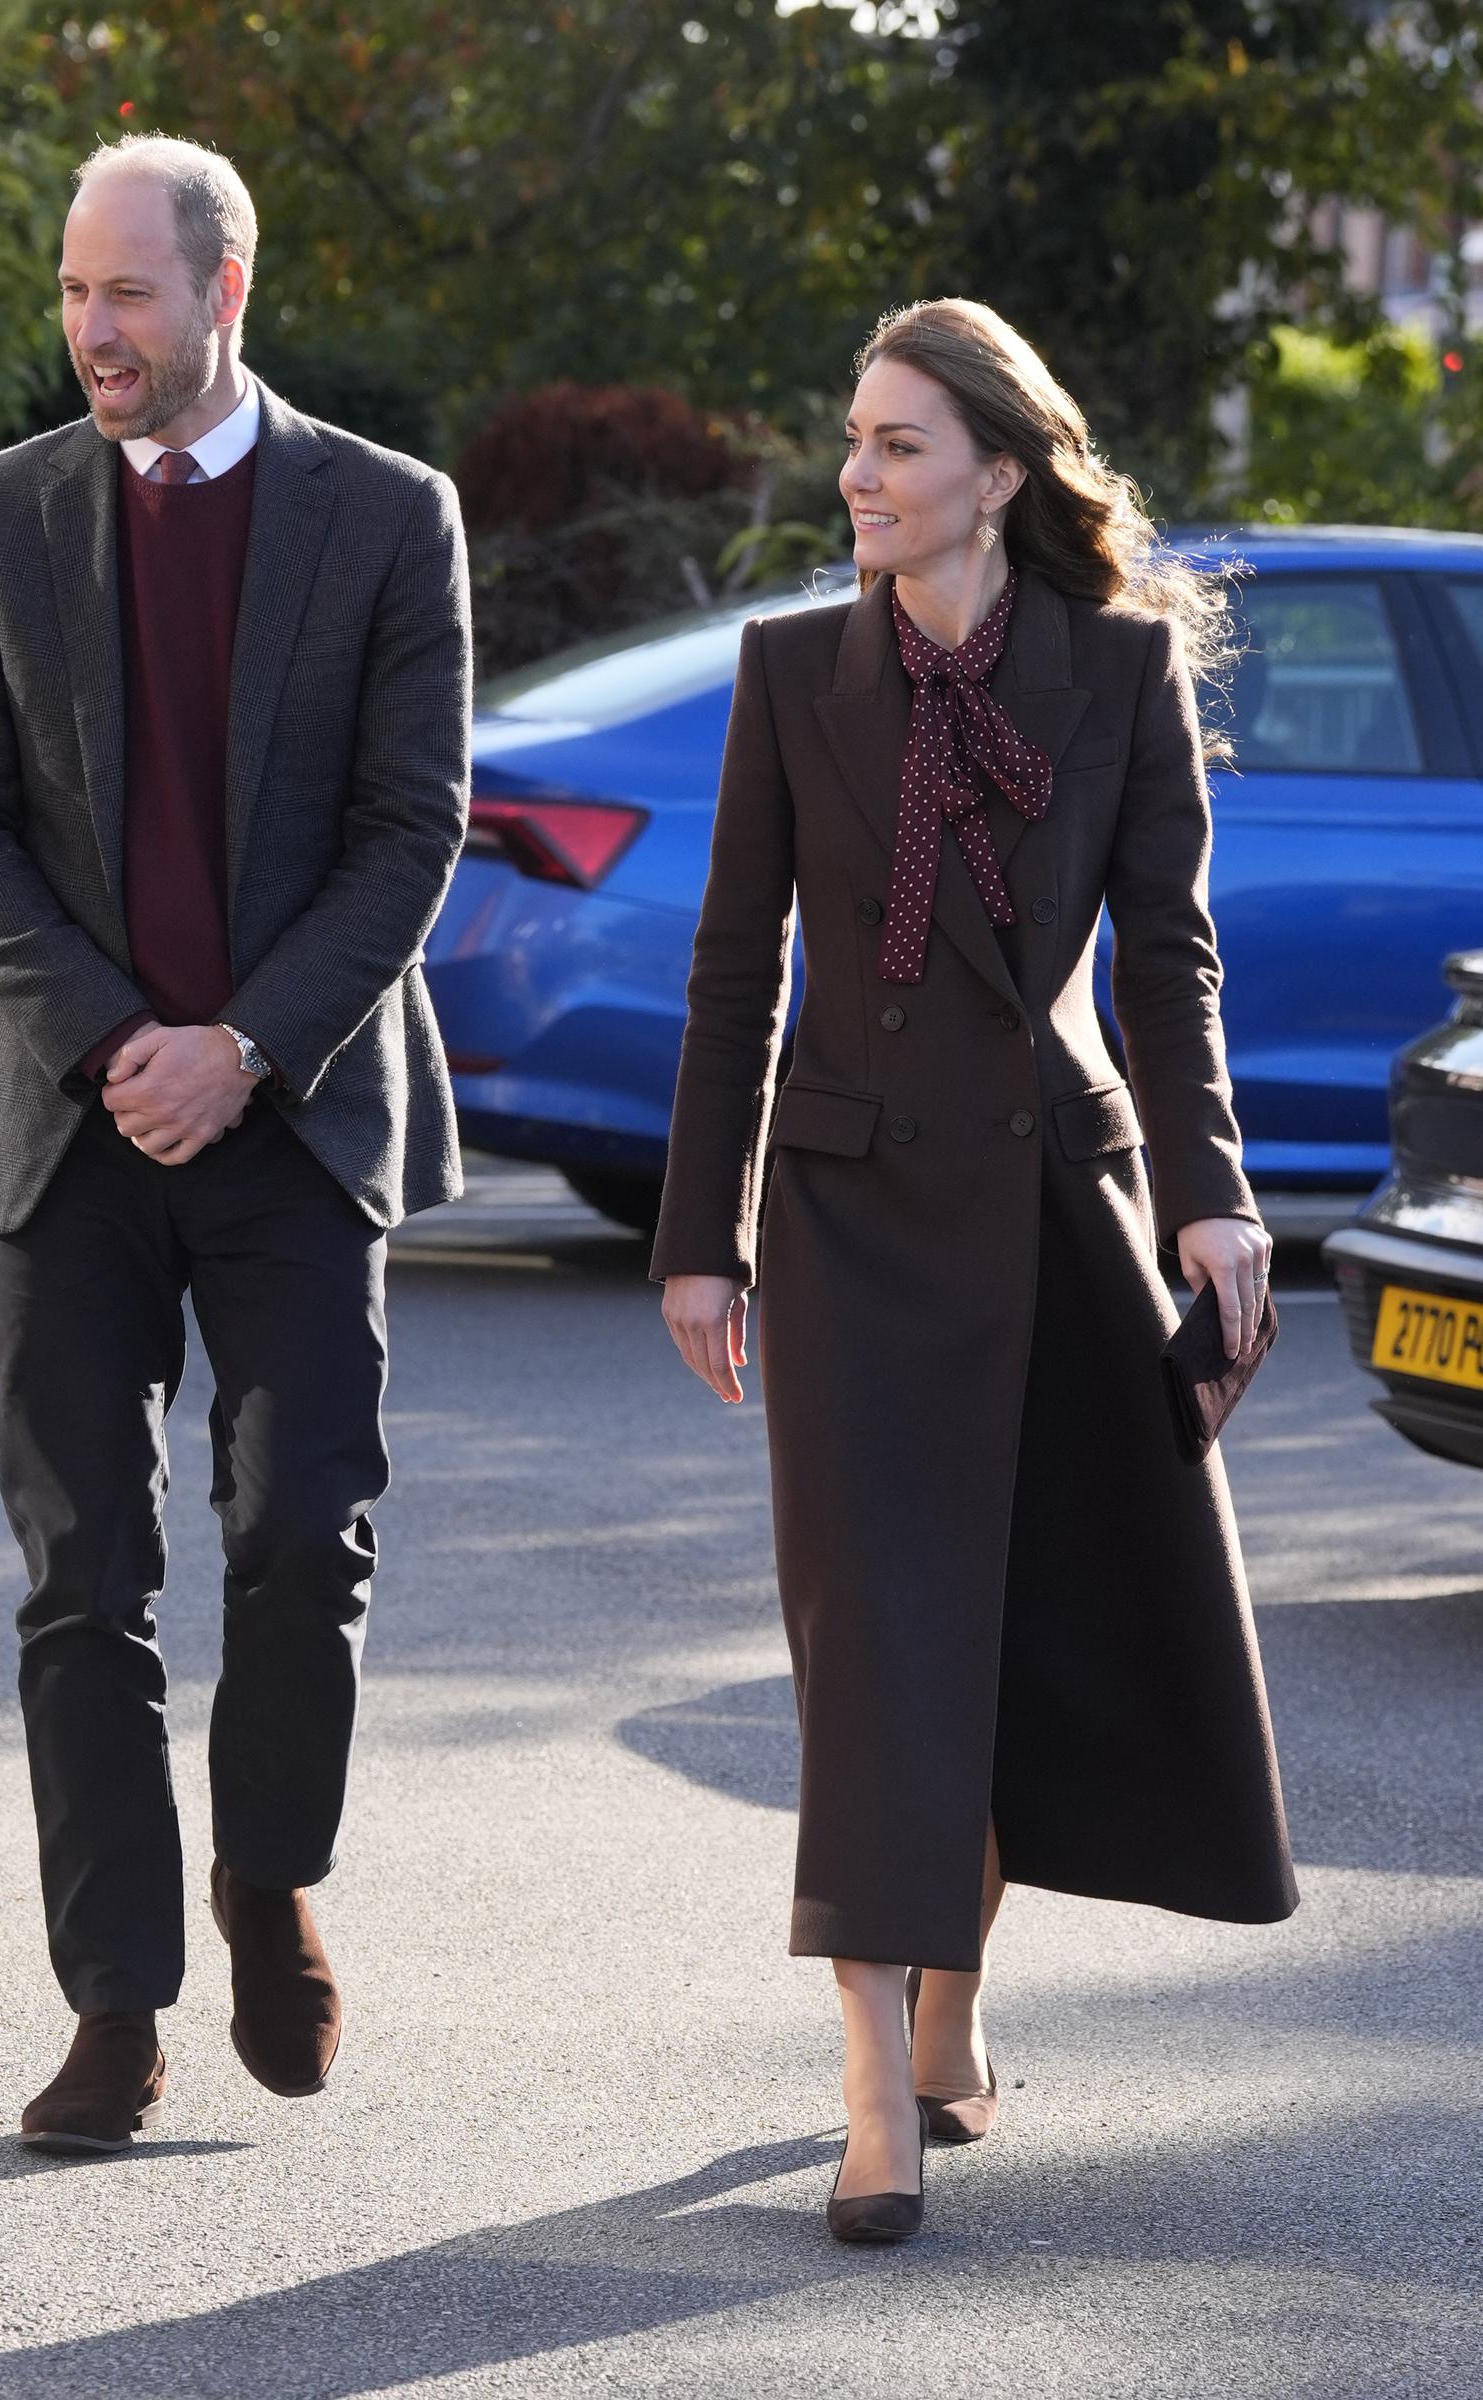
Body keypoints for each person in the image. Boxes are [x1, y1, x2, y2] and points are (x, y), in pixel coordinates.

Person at [653, 298, 1295, 2246]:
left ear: (997, 478)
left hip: (1052, 1215)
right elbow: (731, 972)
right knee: (875, 1654)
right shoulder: (787, 675)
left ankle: (950, 1995)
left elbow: (1167, 966)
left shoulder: (1109, 677)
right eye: (852, 439)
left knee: (1005, 1641)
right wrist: (702, 1236)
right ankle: (874, 2095)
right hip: (847, 1221)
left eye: (899, 445)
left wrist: (1214, 1196)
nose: (856, 475)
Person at [0, 135, 471, 2152]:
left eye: (124, 293)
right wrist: (121, 1042)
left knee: (300, 1543)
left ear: (225, 291)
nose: (90, 330)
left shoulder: (391, 516)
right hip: (62, 1130)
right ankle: (116, 2001)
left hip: (296, 1123)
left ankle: (265, 1875)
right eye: (72, 292)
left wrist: (242, 1046)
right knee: (83, 1580)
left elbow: (414, 827)